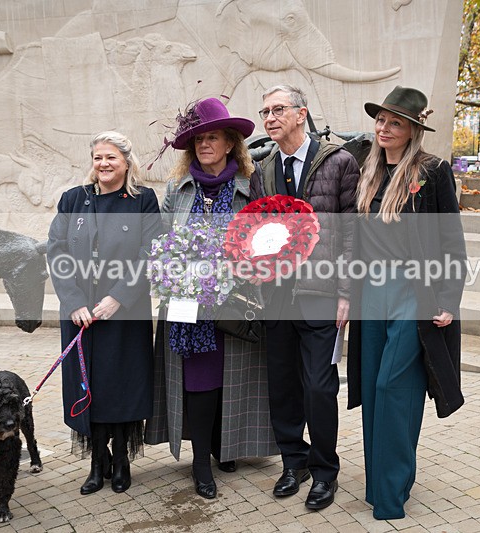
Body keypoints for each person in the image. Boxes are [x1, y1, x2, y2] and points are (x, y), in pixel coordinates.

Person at [145, 97, 278, 500]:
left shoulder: (249, 187)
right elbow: (161, 242)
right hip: (189, 306)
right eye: (198, 139)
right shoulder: (178, 189)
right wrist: (178, 274)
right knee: (200, 380)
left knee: (232, 377)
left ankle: (225, 445)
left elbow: (264, 241)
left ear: (230, 143)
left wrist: (236, 269)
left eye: (213, 137)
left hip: (236, 302)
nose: (205, 144)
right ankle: (201, 461)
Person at [345, 85, 467, 520]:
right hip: (369, 293)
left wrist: (448, 299)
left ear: (413, 129)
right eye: (380, 120)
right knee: (372, 388)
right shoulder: (367, 166)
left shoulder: (432, 171)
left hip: (412, 294)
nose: (384, 128)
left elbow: (451, 239)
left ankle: (392, 493)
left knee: (393, 387)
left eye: (395, 122)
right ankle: (378, 485)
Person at [249, 84, 358, 511]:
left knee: (318, 387)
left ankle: (325, 471)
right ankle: (294, 463)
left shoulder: (338, 161)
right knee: (283, 386)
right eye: (265, 112)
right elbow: (253, 231)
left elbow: (352, 232)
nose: (270, 118)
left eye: (278, 109)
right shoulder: (263, 170)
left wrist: (346, 292)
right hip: (276, 295)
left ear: (301, 114)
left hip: (321, 293)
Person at [47, 131, 161, 494]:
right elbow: (57, 251)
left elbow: (150, 253)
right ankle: (98, 461)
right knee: (88, 384)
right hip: (81, 313)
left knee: (122, 384)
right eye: (98, 157)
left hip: (124, 311)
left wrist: (118, 298)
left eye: (111, 157)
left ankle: (122, 458)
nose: (104, 164)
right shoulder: (73, 199)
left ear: (126, 162)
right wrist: (73, 301)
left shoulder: (142, 200)